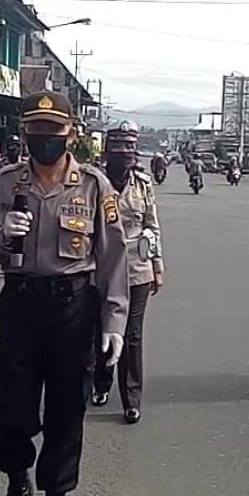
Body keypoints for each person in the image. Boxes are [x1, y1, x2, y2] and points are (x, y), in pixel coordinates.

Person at [0, 91, 129, 496]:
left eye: (53, 133)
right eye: (36, 132)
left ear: (71, 135)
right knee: (11, 413)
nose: (44, 141)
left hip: (72, 310)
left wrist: (114, 321)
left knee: (66, 417)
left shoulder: (95, 187)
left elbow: (113, 257)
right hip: (20, 308)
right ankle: (17, 481)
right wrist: (4, 236)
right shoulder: (5, 184)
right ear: (26, 135)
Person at [91, 122, 165, 424]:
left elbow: (152, 226)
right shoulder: (93, 182)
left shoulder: (143, 185)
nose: (125, 153)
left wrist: (157, 265)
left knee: (132, 336)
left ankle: (131, 399)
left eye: (130, 148)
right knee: (101, 329)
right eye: (119, 147)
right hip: (100, 270)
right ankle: (101, 382)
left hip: (137, 270)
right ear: (108, 150)